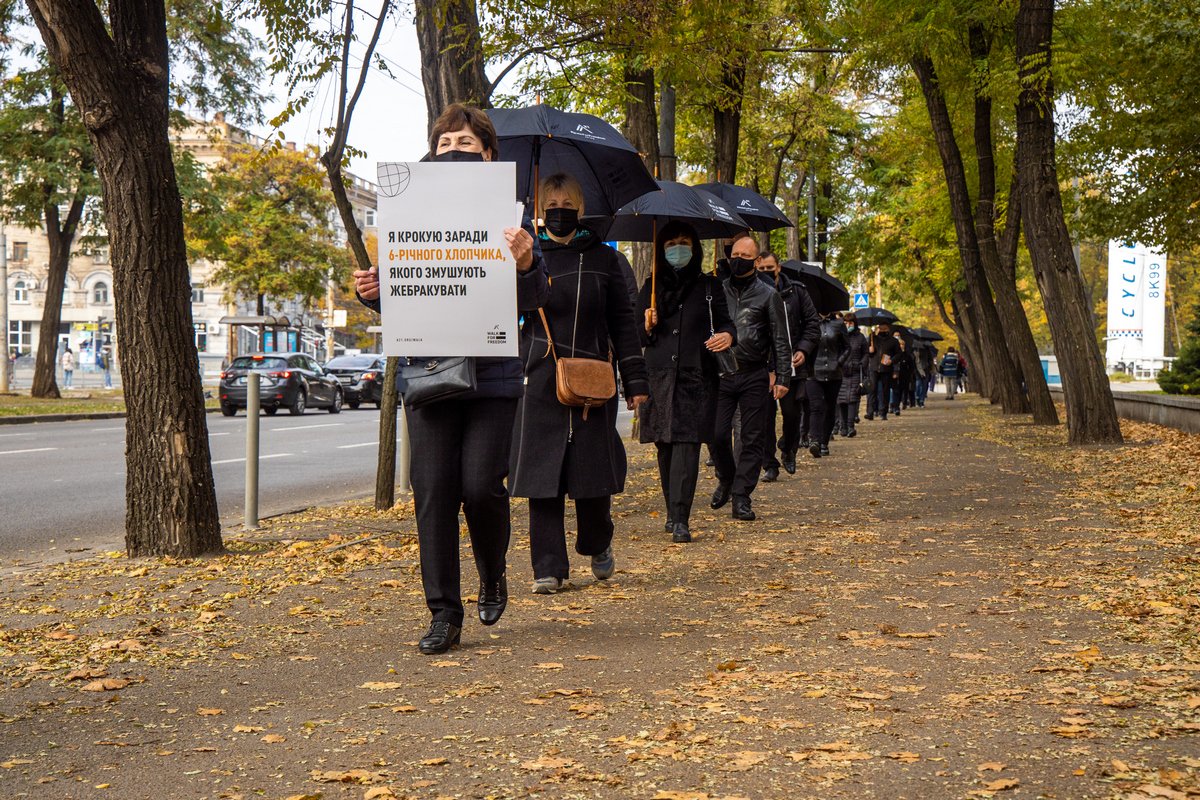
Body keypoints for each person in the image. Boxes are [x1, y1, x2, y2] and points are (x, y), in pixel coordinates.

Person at [353, 103, 544, 655]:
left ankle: (492, 572)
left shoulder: (513, 221)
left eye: (466, 144)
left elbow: (537, 298)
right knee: (434, 493)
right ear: (432, 153)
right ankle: (443, 613)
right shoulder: (409, 218)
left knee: (481, 487)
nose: (454, 151)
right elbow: (406, 297)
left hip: (493, 376)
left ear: (488, 155)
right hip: (430, 374)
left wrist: (527, 262)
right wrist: (374, 293)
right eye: (445, 144)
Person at [510, 172, 649, 594]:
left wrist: (635, 380)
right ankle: (548, 567)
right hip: (539, 378)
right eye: (551, 205)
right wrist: (524, 268)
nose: (560, 212)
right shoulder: (523, 257)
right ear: (539, 210)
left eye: (567, 205)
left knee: (592, 477)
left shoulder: (605, 259)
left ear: (581, 209)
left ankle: (597, 541)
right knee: (542, 478)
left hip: (592, 379)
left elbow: (623, 323)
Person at [637, 221, 735, 543]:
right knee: (665, 445)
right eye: (670, 244)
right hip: (659, 376)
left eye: (684, 242)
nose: (677, 249)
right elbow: (637, 335)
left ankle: (681, 518)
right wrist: (646, 324)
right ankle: (671, 511)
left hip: (697, 375)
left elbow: (727, 324)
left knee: (687, 444)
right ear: (661, 250)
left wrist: (727, 336)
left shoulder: (709, 286)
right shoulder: (651, 287)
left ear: (695, 248)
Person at [710, 235, 792, 521]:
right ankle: (726, 477)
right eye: (735, 255)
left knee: (752, 437)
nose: (738, 260)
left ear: (757, 261)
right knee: (716, 434)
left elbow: (780, 339)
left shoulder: (769, 295)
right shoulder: (716, 291)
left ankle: (741, 495)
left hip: (754, 373)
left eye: (745, 256)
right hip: (720, 373)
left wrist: (783, 376)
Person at [756, 252, 818, 480]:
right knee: (765, 418)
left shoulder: (797, 292)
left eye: (769, 268)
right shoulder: (752, 292)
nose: (766, 272)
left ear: (778, 268)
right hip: (762, 365)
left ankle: (788, 447)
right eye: (761, 269)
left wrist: (803, 349)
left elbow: (812, 324)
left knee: (792, 413)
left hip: (791, 363)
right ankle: (769, 464)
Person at [805, 311, 848, 457]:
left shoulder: (839, 324)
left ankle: (824, 442)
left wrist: (839, 362)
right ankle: (815, 441)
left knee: (830, 408)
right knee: (816, 407)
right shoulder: (810, 323)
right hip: (813, 373)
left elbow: (847, 347)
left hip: (834, 373)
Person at [835, 312, 868, 438]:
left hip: (855, 372)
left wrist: (862, 363)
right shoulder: (839, 336)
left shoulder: (860, 337)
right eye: (846, 323)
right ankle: (843, 426)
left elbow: (865, 353)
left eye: (850, 323)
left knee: (853, 400)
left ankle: (850, 426)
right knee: (841, 400)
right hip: (841, 372)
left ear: (854, 323)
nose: (848, 325)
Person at [866, 322, 900, 420]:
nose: (882, 330)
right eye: (880, 328)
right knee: (872, 390)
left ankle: (883, 412)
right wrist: (870, 350)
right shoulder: (872, 338)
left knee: (885, 391)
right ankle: (870, 412)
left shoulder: (893, 341)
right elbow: (866, 352)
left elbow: (899, 354)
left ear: (888, 329)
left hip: (886, 368)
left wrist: (892, 361)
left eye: (884, 329)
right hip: (874, 368)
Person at [891, 334, 914, 415]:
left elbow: (911, 366)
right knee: (896, 391)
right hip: (895, 374)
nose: (901, 346)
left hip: (905, 375)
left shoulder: (907, 355)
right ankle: (895, 406)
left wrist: (909, 374)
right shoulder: (894, 354)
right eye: (900, 344)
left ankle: (903, 403)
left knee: (904, 390)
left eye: (902, 344)